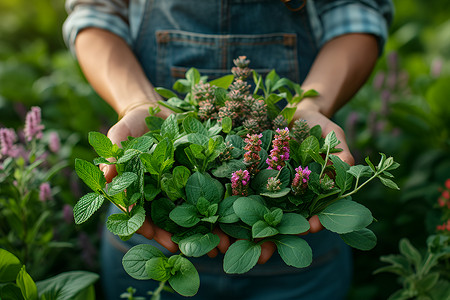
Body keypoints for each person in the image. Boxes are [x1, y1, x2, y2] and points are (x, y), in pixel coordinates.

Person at [63, 0, 393, 299]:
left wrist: (310, 104)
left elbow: (356, 11)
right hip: (147, 226)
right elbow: (96, 12)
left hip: (300, 232)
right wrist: (138, 103)